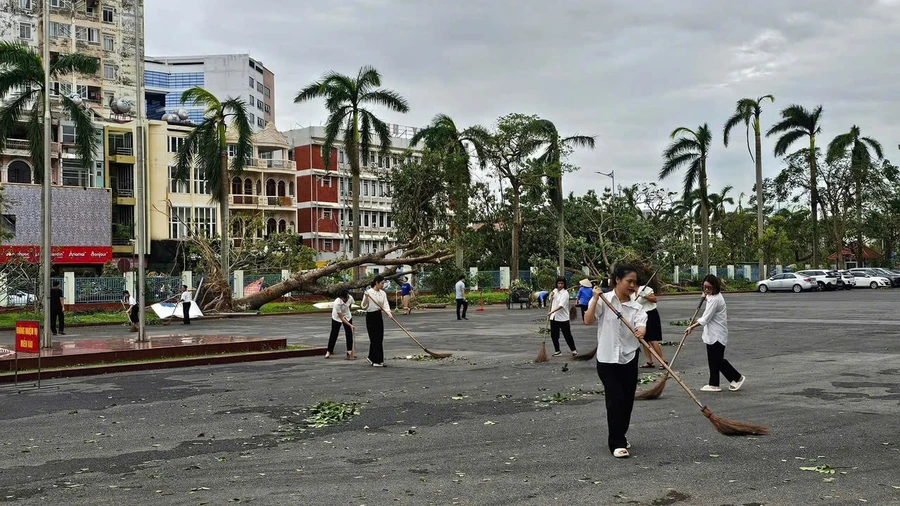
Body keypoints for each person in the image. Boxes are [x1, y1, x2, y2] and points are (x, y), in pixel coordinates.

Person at [584, 264, 647, 458]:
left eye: (635, 283)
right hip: (607, 359)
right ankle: (616, 442)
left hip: (629, 357)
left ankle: (620, 433)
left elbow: (641, 325)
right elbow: (588, 320)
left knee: (627, 401)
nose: (632, 285)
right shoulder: (604, 300)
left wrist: (641, 331)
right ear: (617, 280)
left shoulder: (636, 307)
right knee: (615, 399)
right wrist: (595, 299)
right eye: (629, 281)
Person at [686, 275, 745, 393]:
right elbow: (709, 300)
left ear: (715, 287)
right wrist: (706, 297)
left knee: (718, 360)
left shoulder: (715, 300)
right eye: (705, 287)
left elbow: (705, 318)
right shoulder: (713, 297)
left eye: (709, 288)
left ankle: (737, 377)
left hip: (717, 334)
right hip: (712, 334)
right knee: (712, 360)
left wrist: (691, 327)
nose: (706, 290)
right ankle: (714, 383)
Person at [361, 275, 392, 367]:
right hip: (370, 316)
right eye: (382, 283)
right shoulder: (368, 293)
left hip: (378, 315)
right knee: (374, 338)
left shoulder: (383, 293)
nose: (383, 285)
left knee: (379, 337)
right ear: (376, 283)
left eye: (383, 283)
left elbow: (385, 304)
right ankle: (377, 361)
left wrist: (388, 313)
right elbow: (363, 306)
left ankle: (372, 358)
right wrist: (366, 297)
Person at [633, 283, 666, 369]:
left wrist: (645, 296)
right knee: (643, 339)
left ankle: (662, 361)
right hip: (640, 316)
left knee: (652, 338)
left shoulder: (645, 289)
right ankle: (649, 361)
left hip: (651, 314)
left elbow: (654, 299)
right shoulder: (631, 293)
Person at [547, 277, 577, 357]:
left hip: (563, 318)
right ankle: (557, 351)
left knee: (567, 335)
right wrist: (551, 295)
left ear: (564, 284)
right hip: (554, 317)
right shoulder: (555, 291)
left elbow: (561, 306)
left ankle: (573, 350)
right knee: (554, 335)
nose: (560, 285)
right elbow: (550, 299)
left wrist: (551, 311)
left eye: (562, 284)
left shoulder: (565, 293)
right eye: (559, 283)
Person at [326, 289, 355, 359]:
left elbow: (350, 306)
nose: (346, 299)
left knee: (349, 333)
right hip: (337, 317)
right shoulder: (337, 303)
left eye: (347, 297)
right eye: (345, 298)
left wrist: (348, 313)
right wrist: (350, 325)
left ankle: (349, 351)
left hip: (347, 316)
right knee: (334, 333)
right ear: (341, 297)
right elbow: (341, 317)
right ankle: (329, 351)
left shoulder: (350, 298)